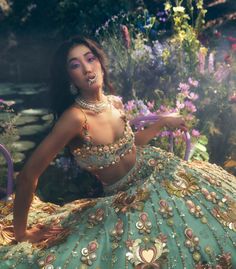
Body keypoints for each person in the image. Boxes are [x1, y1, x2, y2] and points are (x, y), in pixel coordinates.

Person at [0, 36, 235, 269]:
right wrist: (22, 233)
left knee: (210, 217)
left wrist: (160, 123)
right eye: (75, 65)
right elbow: (29, 174)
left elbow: (129, 147)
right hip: (123, 200)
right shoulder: (75, 118)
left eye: (90, 59)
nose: (86, 68)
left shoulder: (114, 103)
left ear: (100, 63)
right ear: (69, 77)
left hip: (156, 173)